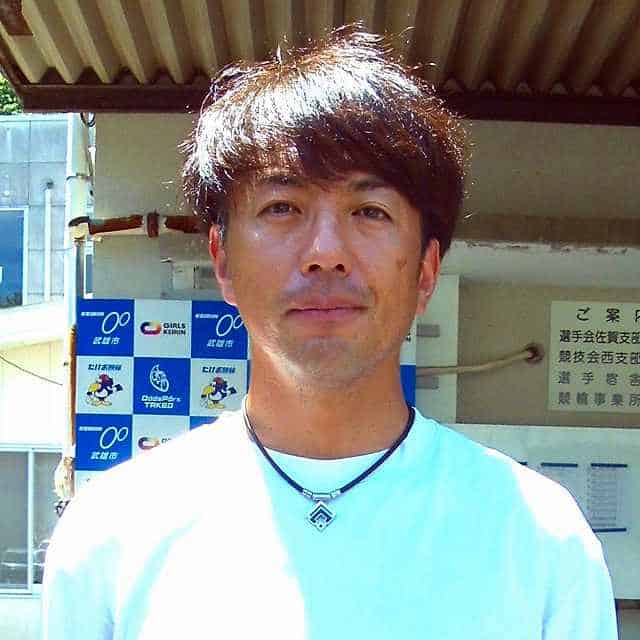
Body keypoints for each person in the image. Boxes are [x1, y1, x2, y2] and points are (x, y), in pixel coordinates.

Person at [42, 27, 617, 639]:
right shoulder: (112, 532)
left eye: (369, 211)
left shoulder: (538, 537)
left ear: (425, 272)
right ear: (222, 260)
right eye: (282, 208)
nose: (325, 253)